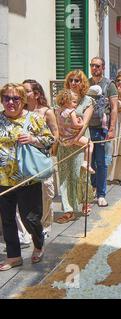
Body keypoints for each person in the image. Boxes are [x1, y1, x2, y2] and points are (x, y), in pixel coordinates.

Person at [0, 83, 55, 271]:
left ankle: (38, 244)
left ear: (23, 101)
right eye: (6, 98)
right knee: (7, 219)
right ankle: (14, 255)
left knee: (30, 218)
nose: (11, 102)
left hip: (27, 178)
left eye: (15, 98)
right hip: (3, 179)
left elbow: (50, 140)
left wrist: (33, 139)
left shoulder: (34, 119)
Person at [56, 70, 95, 223]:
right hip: (64, 142)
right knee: (65, 177)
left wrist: (75, 139)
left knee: (79, 175)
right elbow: (56, 118)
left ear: (82, 83)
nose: (73, 83)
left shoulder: (88, 101)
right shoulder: (62, 98)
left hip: (79, 141)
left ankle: (85, 201)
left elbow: (84, 124)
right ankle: (68, 210)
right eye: (71, 80)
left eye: (77, 80)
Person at [23, 79, 58, 239]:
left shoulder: (46, 112)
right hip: (24, 160)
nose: (22, 94)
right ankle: (28, 227)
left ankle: (45, 224)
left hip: (42, 159)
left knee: (46, 194)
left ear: (36, 94)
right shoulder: (19, 111)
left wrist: (50, 153)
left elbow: (55, 134)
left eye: (26, 91)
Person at [88, 57, 118, 207]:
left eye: (97, 66)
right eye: (92, 65)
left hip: (102, 129)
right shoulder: (86, 83)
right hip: (87, 129)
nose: (94, 68)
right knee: (89, 161)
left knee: (101, 162)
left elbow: (114, 108)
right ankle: (92, 188)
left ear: (103, 67)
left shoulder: (109, 85)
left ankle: (101, 194)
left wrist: (112, 129)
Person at [55, 89, 95, 174]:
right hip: (71, 137)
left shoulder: (58, 110)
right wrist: (81, 122)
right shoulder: (71, 111)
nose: (76, 105)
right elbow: (76, 125)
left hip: (63, 139)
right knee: (89, 144)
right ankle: (86, 163)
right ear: (67, 101)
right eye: (74, 102)